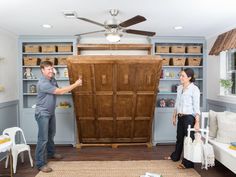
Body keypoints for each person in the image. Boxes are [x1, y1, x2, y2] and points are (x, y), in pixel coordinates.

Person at [35, 61, 82, 173]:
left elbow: (57, 87)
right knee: (43, 139)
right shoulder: (43, 83)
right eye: (48, 69)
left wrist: (53, 74)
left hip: (50, 112)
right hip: (42, 113)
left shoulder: (51, 79)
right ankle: (40, 164)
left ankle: (50, 154)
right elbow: (59, 91)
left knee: (51, 134)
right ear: (42, 70)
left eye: (52, 68)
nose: (51, 71)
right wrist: (76, 84)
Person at [164, 68, 200, 169]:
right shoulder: (179, 88)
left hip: (189, 117)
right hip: (180, 116)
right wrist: (174, 116)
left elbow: (196, 107)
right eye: (180, 75)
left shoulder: (194, 89)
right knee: (179, 138)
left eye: (183, 76)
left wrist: (197, 122)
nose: (180, 77)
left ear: (189, 77)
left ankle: (187, 163)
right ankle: (175, 157)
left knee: (189, 140)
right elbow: (177, 104)